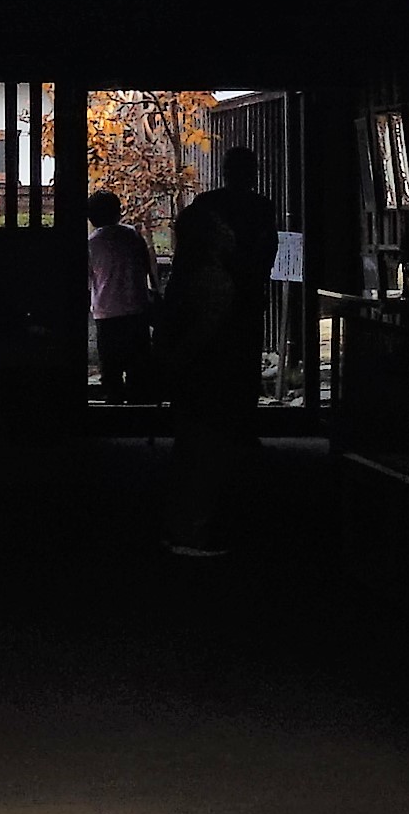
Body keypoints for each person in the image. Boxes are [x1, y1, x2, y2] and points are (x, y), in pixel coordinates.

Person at [161, 143, 280, 557]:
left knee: (197, 421)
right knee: (234, 366)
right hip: (244, 298)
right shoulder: (263, 209)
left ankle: (184, 519)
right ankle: (240, 428)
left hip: (219, 306)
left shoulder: (205, 208)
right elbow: (267, 252)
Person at [83, 184, 156, 402]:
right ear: (118, 212)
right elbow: (147, 267)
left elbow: (87, 280)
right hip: (136, 309)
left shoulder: (92, 243)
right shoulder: (133, 235)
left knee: (111, 368)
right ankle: (139, 410)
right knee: (138, 367)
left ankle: (113, 404)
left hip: (107, 313)